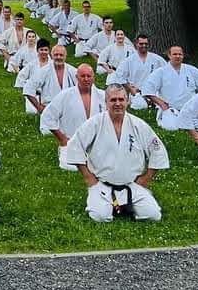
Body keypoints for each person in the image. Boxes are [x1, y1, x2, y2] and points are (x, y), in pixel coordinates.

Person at [64, 84, 169, 222]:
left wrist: (146, 178)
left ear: (127, 101)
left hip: (132, 185)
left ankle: (120, 205)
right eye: (113, 100)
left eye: (121, 99)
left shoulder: (138, 125)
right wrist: (88, 177)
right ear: (106, 102)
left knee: (153, 215)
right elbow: (75, 146)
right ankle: (109, 204)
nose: (118, 103)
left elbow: (157, 150)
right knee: (100, 216)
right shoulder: (95, 123)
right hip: (102, 185)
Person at [40, 64, 106, 170]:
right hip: (71, 143)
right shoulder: (65, 95)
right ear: (76, 77)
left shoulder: (103, 96)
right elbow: (47, 116)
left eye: (89, 76)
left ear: (93, 77)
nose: (86, 79)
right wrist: (62, 138)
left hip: (97, 144)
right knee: (71, 167)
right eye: (83, 76)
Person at [141, 46, 198, 131]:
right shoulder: (161, 72)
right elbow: (147, 89)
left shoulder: (191, 70)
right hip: (171, 109)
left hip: (190, 109)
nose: (178, 56)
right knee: (171, 127)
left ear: (183, 56)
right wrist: (162, 104)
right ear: (169, 55)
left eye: (180, 54)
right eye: (175, 54)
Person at [110, 33, 165, 110]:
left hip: (154, 91)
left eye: (146, 44)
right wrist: (130, 88)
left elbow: (166, 72)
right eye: (141, 44)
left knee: (164, 103)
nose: (144, 46)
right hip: (137, 92)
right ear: (136, 44)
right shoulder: (129, 60)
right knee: (140, 105)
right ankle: (141, 101)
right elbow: (119, 76)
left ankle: (152, 102)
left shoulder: (157, 59)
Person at [24, 44, 77, 114]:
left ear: (65, 56)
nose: (58, 57)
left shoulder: (73, 71)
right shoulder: (44, 71)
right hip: (49, 108)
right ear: (51, 56)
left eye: (61, 55)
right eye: (56, 55)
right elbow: (28, 88)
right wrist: (39, 108)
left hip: (69, 108)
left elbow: (86, 88)